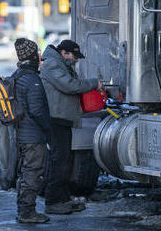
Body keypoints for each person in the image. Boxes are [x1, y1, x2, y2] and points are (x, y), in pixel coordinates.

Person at [40, 39, 102, 215]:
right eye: (74, 57)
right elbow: (70, 86)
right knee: (59, 160)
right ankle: (53, 201)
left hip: (62, 118)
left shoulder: (61, 65)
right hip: (55, 119)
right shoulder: (52, 65)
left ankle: (63, 198)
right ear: (64, 53)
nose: (76, 60)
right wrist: (94, 83)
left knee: (65, 160)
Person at [13, 38, 51, 223]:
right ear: (33, 55)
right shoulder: (31, 80)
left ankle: (24, 210)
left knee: (26, 172)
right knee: (33, 172)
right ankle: (27, 213)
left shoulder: (17, 75)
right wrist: (48, 128)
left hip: (20, 134)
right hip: (33, 136)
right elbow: (37, 110)